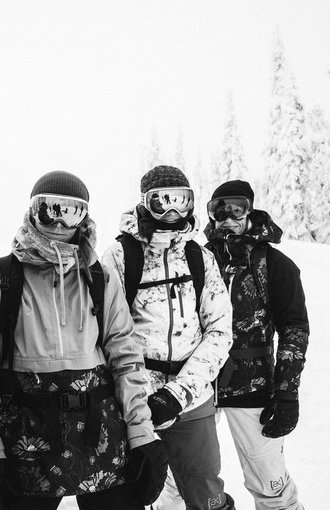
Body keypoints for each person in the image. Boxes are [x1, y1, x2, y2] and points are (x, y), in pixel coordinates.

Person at [0, 171, 168, 510]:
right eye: (49, 209)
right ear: (31, 212)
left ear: (84, 218)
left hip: (100, 427)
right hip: (26, 434)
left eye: (71, 211)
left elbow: (125, 358)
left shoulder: (100, 279)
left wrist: (141, 431)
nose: (59, 221)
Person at [103, 165, 235, 510]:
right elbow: (107, 333)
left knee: (205, 491)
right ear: (145, 204)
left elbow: (220, 330)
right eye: (162, 201)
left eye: (182, 200)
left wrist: (179, 393)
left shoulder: (199, 257)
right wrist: (140, 392)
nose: (173, 211)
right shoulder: (120, 257)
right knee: (129, 490)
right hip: (133, 400)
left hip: (191, 399)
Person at [204, 180, 309, 510]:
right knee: (180, 482)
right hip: (198, 387)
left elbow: (294, 329)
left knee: (270, 485)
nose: (227, 217)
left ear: (250, 210)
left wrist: (287, 391)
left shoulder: (274, 264)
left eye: (236, 208)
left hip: (254, 389)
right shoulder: (198, 260)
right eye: (218, 209)